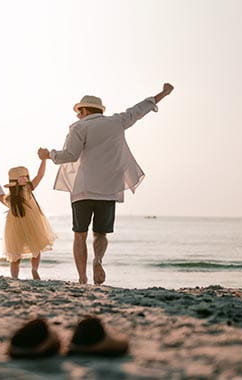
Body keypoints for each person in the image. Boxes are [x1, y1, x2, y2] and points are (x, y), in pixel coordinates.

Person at [38, 83, 174, 285]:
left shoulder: (79, 127)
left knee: (80, 235)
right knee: (100, 233)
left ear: (84, 110)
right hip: (109, 189)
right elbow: (139, 110)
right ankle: (98, 260)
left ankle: (82, 278)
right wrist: (162, 93)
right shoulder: (117, 121)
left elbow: (70, 155)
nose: (77, 116)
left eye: (78, 112)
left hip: (83, 189)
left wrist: (49, 155)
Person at [3, 162, 57, 279]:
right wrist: (43, 160)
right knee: (36, 248)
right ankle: (34, 269)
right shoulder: (28, 189)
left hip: (14, 226)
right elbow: (40, 175)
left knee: (15, 254)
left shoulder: (9, 197)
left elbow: (39, 175)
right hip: (31, 223)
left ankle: (14, 276)